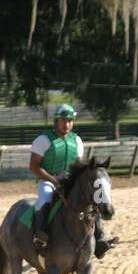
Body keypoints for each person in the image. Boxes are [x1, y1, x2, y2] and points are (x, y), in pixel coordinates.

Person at [28, 104, 115, 257]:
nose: (66, 124)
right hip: (49, 180)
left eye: (70, 121)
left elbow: (79, 167)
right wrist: (54, 181)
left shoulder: (77, 140)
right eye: (63, 120)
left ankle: (99, 238)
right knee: (45, 198)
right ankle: (40, 236)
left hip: (70, 182)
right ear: (56, 121)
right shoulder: (43, 140)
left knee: (93, 199)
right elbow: (34, 167)